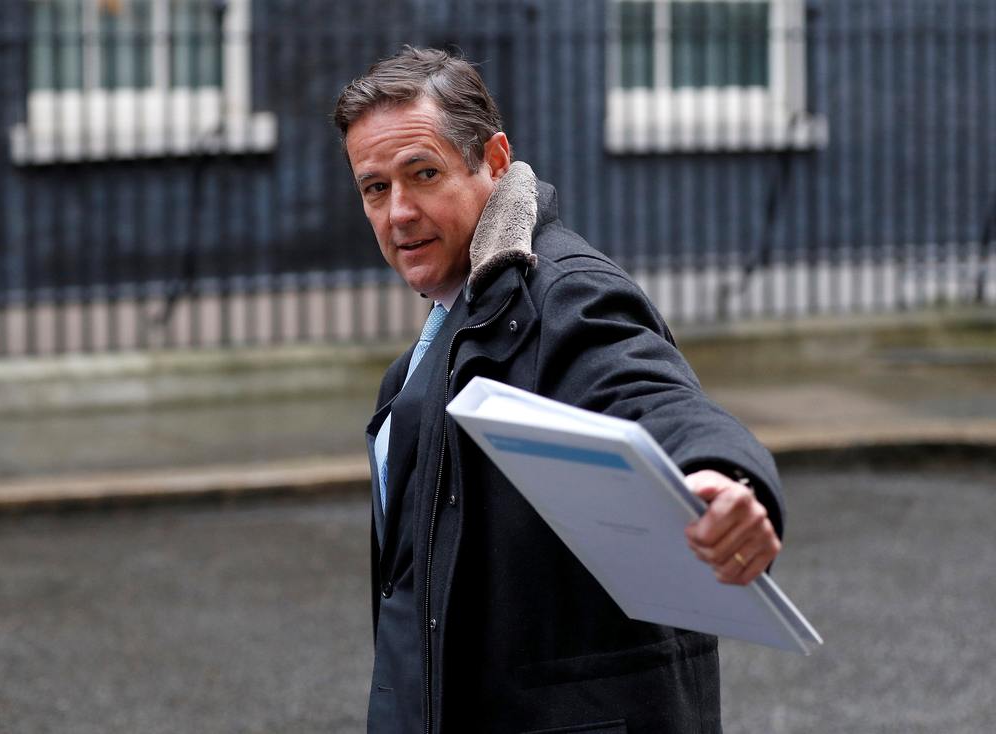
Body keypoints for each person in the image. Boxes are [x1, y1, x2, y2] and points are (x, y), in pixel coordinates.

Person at [334, 46, 784, 734]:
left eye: (423, 174)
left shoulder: (564, 292)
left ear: (493, 160)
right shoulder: (449, 325)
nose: (399, 212)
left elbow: (652, 396)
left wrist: (719, 476)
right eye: (375, 187)